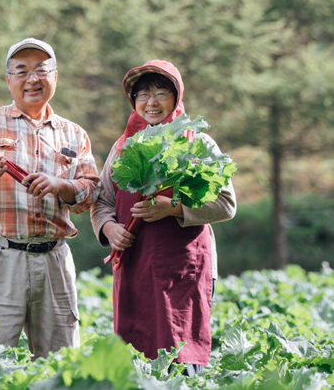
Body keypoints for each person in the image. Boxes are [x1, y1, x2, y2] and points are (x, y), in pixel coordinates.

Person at [0, 38, 99, 359]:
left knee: (59, 365)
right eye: (21, 71)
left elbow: (90, 192)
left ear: (55, 77)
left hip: (54, 259)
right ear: (9, 80)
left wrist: (61, 185)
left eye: (41, 70)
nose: (32, 79)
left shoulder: (73, 133)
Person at [90, 60, 237, 374]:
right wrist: (109, 227)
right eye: (142, 94)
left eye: (160, 93)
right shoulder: (122, 147)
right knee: (134, 358)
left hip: (182, 268)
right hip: (134, 267)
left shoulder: (197, 144)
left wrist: (172, 208)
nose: (150, 102)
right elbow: (102, 199)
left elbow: (226, 203)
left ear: (176, 97)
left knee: (181, 355)